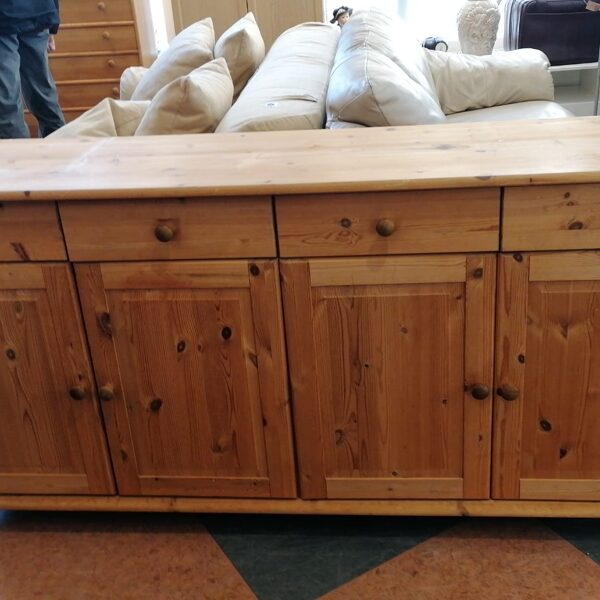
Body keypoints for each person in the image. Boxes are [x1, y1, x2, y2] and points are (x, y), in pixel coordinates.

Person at [0, 0, 65, 138]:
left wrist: (52, 22)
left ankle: (59, 149)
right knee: (43, 99)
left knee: (9, 106)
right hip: (38, 11)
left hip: (36, 14)